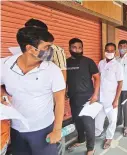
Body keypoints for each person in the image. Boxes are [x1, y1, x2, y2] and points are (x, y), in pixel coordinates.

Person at [1, 27, 66, 155]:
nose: (51, 50)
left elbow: (60, 100)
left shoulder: (52, 70)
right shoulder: (4, 65)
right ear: (30, 48)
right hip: (16, 129)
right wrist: (2, 92)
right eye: (47, 47)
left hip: (43, 130)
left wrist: (57, 129)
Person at [24, 18, 67, 155]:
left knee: (53, 133)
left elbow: (62, 77)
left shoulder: (55, 50)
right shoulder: (25, 49)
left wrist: (57, 101)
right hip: (29, 101)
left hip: (49, 100)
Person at [66, 38, 100, 155]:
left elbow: (97, 78)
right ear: (69, 48)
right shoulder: (66, 62)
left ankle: (90, 148)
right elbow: (66, 79)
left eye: (80, 47)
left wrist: (95, 94)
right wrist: (66, 91)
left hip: (87, 99)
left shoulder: (88, 61)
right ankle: (81, 139)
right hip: (73, 98)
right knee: (77, 121)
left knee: (88, 124)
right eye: (74, 47)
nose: (77, 50)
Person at [95, 43, 123, 149]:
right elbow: (98, 79)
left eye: (111, 51)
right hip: (100, 97)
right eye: (107, 50)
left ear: (115, 52)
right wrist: (95, 94)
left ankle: (109, 137)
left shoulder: (118, 66)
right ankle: (97, 133)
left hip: (111, 99)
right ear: (104, 51)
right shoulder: (101, 63)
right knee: (98, 118)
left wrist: (116, 100)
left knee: (112, 120)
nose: (109, 53)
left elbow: (120, 84)